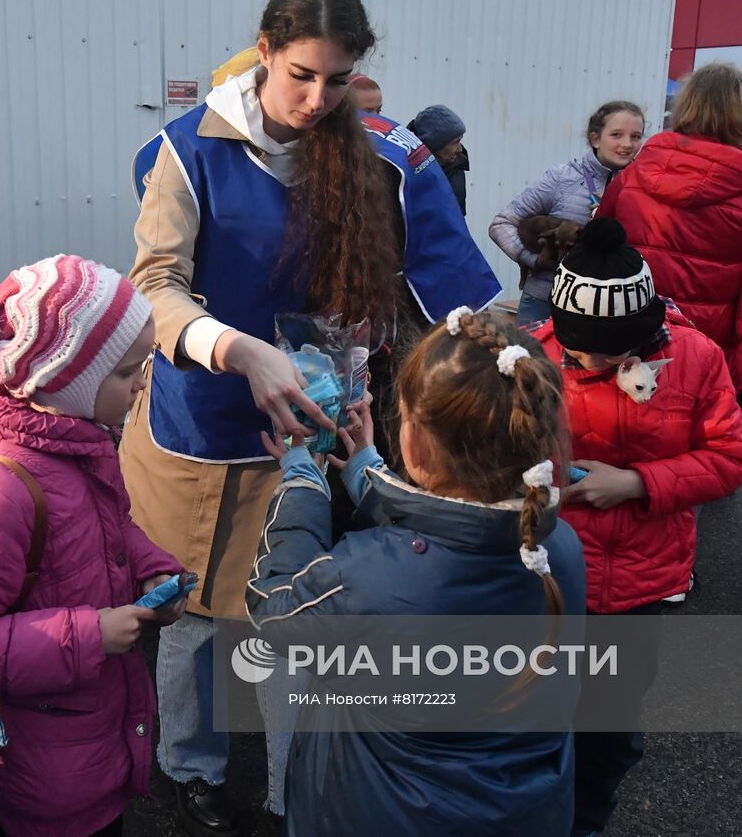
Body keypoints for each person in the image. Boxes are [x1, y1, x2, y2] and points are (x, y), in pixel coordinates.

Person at [121, 0, 499, 828]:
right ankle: (191, 765)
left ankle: (300, 793)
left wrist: (513, 399)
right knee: (189, 617)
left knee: (297, 626)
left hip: (318, 433)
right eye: (300, 74)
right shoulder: (188, 151)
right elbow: (154, 285)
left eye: (337, 79)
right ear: (264, 53)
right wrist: (238, 349)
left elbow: (462, 307)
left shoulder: (392, 157)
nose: (317, 98)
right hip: (198, 422)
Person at [247, 308, 585, 836]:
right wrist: (367, 473)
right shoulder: (555, 548)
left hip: (376, 812)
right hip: (524, 812)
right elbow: (460, 526)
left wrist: (300, 484)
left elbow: (276, 607)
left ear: (418, 444)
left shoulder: (374, 578)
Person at [0, 254, 187, 837]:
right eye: (127, 371)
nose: (143, 381)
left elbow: (107, 532)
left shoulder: (80, 444)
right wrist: (89, 633)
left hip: (95, 740)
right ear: (64, 382)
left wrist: (149, 568)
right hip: (46, 770)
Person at [529, 219, 742, 835]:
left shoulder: (696, 357)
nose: (590, 361)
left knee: (609, 726)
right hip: (546, 575)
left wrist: (635, 483)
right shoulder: (532, 359)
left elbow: (731, 459)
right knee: (533, 714)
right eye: (579, 347)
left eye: (608, 351)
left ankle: (586, 820)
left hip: (639, 580)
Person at [597, 63, 742, 401]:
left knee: (639, 432)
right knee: (712, 439)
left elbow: (602, 239)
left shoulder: (635, 172)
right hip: (711, 346)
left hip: (639, 334)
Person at [490, 101, 646, 325]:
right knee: (531, 361)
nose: (627, 144)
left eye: (635, 136)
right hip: (544, 303)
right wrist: (534, 260)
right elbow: (501, 224)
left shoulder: (642, 187)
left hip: (602, 312)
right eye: (616, 134)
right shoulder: (562, 178)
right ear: (595, 138)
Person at [407, 104, 468, 214]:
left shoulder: (457, 165)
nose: (460, 149)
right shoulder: (408, 172)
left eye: (460, 140)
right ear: (435, 144)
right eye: (455, 142)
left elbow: (458, 217)